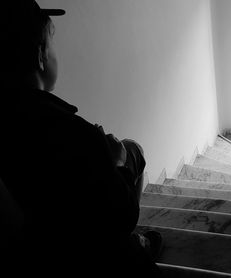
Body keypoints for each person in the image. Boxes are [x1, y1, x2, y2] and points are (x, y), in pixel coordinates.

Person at [0, 1, 162, 276]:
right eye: (52, 43)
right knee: (132, 150)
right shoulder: (73, 132)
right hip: (86, 252)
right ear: (41, 55)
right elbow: (122, 215)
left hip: (38, 246)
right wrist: (118, 161)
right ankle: (133, 243)